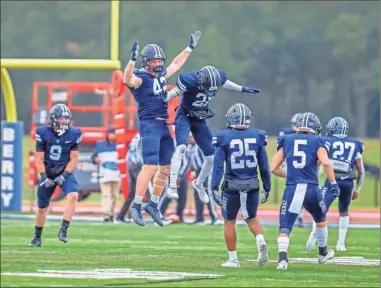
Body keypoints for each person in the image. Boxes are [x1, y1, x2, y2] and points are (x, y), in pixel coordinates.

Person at [123, 31, 202, 226]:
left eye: (160, 61)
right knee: (149, 166)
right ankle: (136, 205)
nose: (158, 64)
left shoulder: (160, 75)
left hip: (163, 125)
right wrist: (131, 61)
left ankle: (153, 204)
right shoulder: (140, 77)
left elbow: (175, 64)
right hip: (149, 125)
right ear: (146, 62)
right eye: (154, 61)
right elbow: (127, 79)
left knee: (166, 167)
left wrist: (189, 48)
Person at [164, 66, 261, 204]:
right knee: (181, 148)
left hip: (199, 117)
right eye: (209, 87)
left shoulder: (217, 79)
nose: (212, 90)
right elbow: (173, 93)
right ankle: (172, 185)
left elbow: (225, 83)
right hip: (184, 115)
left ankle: (199, 184)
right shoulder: (189, 80)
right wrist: (160, 99)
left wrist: (242, 89)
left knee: (211, 157)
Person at [270, 112, 339, 270]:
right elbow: (326, 163)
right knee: (320, 219)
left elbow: (273, 168)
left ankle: (282, 260)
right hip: (311, 188)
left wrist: (291, 175)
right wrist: (333, 183)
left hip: (293, 188)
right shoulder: (318, 140)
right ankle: (322, 254)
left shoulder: (286, 139)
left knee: (285, 226)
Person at [211, 103, 271, 268]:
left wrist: (214, 186)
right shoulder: (258, 136)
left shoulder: (224, 137)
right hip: (252, 183)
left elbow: (218, 165)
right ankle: (260, 241)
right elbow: (264, 165)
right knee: (251, 217)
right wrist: (267, 186)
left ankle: (233, 259)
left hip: (231, 185)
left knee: (229, 221)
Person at [306, 117, 365, 252]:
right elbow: (361, 170)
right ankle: (341, 243)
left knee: (320, 209)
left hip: (333, 180)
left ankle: (314, 235)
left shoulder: (327, 141)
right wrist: (357, 189)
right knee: (344, 211)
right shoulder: (355, 144)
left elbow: (320, 160)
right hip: (348, 182)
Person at [29, 104, 82, 246]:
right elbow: (38, 159)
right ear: (53, 119)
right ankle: (37, 237)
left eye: (66, 118)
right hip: (47, 171)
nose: (64, 121)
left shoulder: (74, 134)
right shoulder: (42, 132)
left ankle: (63, 230)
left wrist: (64, 175)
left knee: (73, 195)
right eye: (60, 117)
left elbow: (74, 159)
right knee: (42, 208)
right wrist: (44, 177)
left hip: (64, 171)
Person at [115, 133, 152, 223]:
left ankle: (121, 216)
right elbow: (139, 152)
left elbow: (130, 153)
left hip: (131, 166)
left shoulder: (135, 137)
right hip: (137, 166)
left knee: (132, 193)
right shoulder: (143, 137)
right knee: (149, 191)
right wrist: (144, 165)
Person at [188, 136, 220, 225]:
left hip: (205, 171)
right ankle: (199, 218)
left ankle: (214, 217)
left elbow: (208, 160)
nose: (189, 139)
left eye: (190, 137)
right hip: (196, 172)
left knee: (207, 193)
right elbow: (191, 161)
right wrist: (193, 171)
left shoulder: (201, 146)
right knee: (197, 195)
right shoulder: (190, 147)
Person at [91, 125, 120, 222]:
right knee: (106, 194)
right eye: (111, 133)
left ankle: (111, 213)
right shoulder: (100, 145)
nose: (113, 135)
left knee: (114, 195)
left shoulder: (120, 145)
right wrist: (96, 159)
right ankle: (106, 213)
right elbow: (93, 157)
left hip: (117, 174)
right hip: (105, 173)